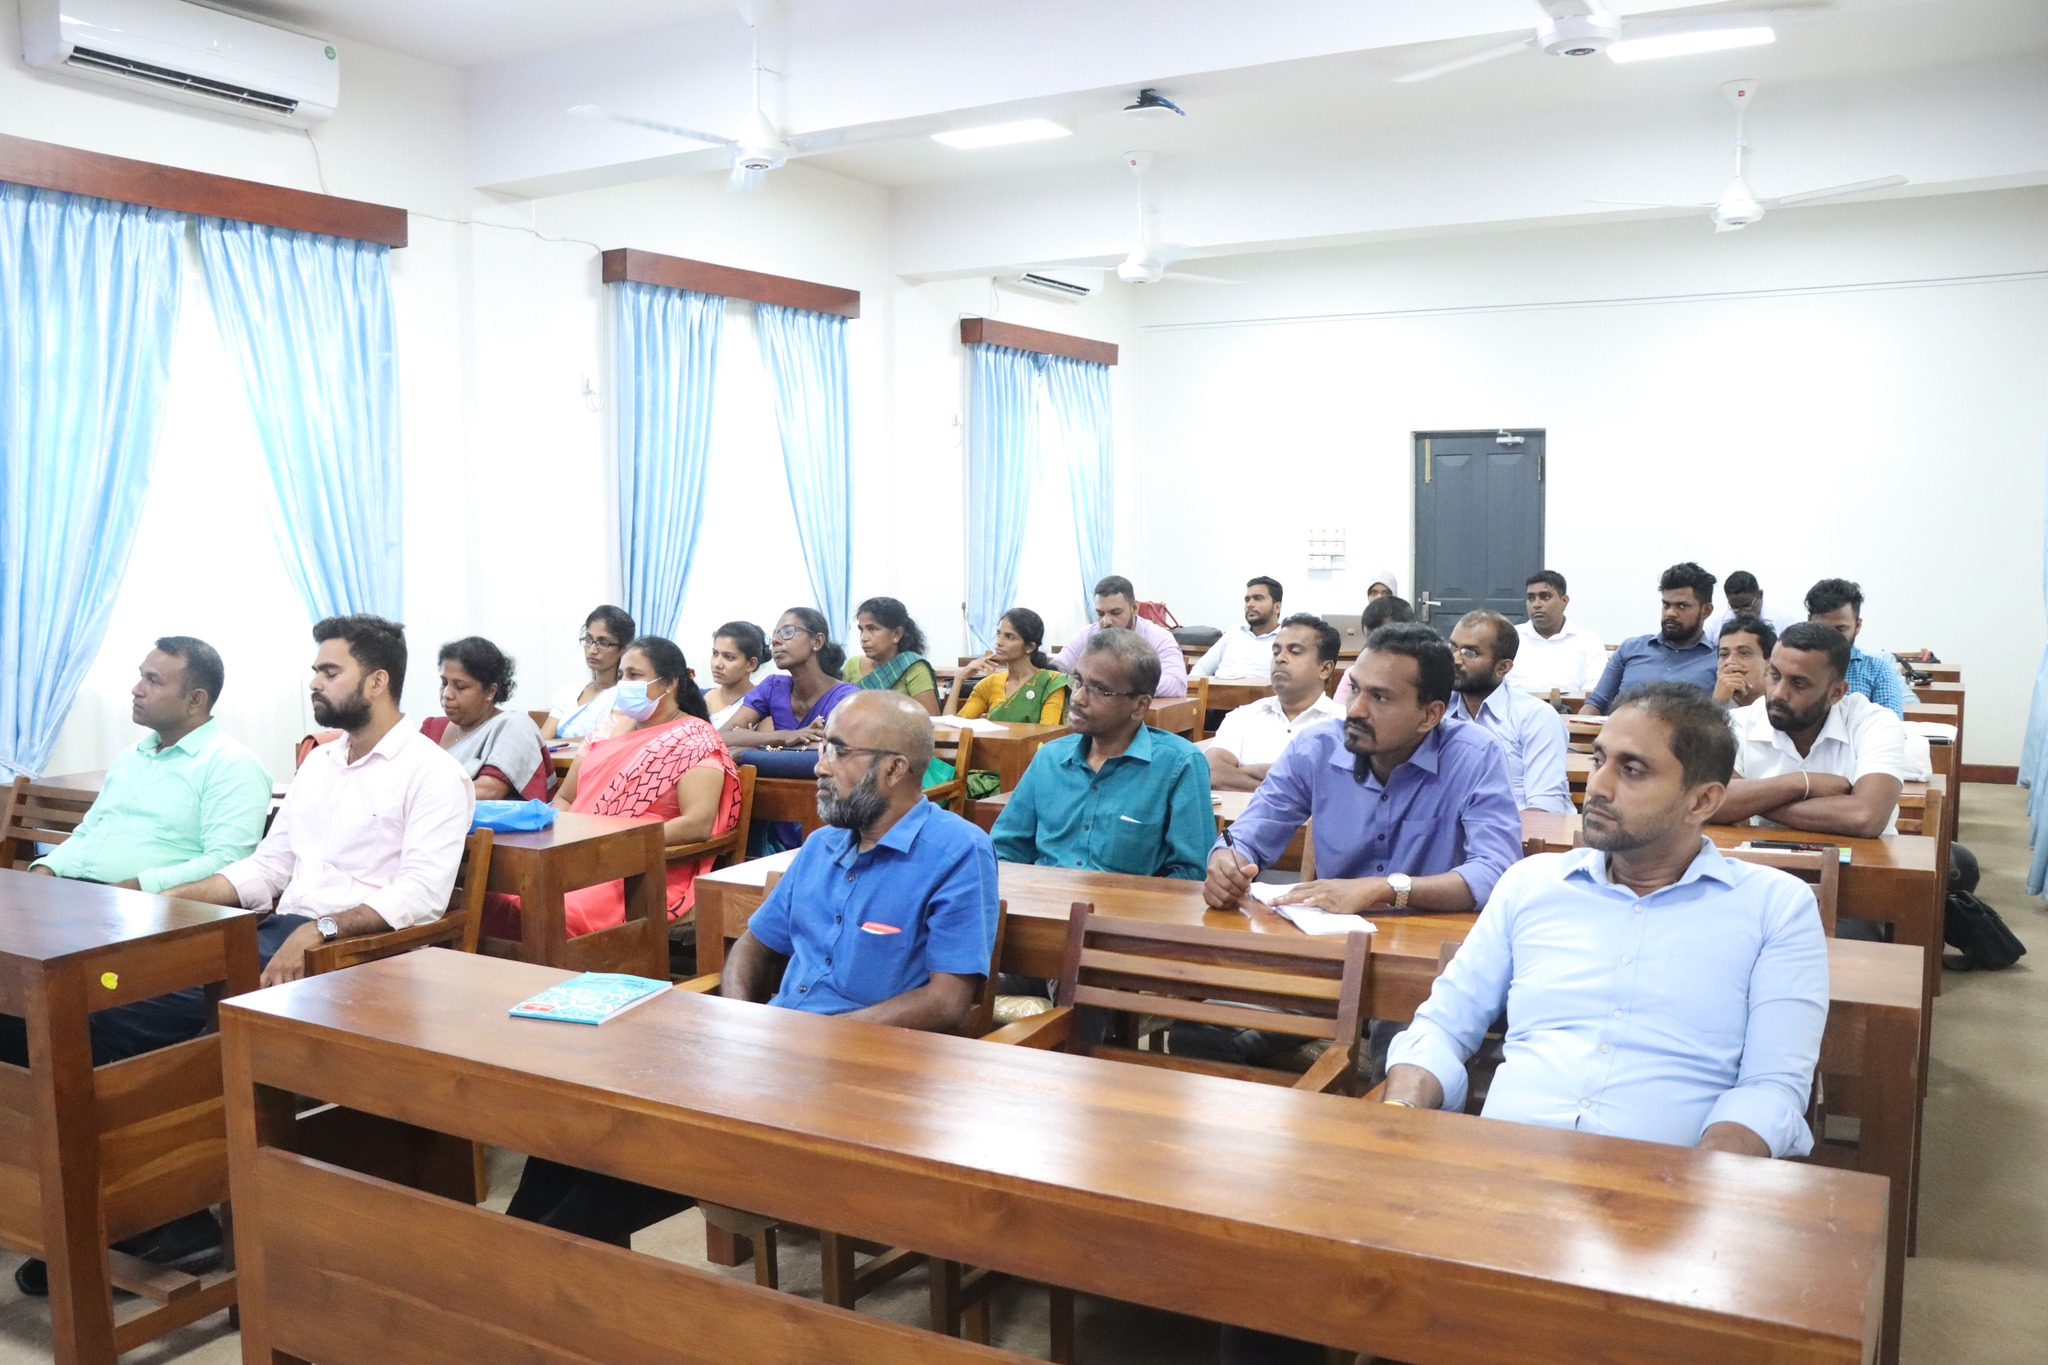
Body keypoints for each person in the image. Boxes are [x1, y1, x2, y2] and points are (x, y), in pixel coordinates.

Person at [4, 615, 473, 1295]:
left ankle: (165, 1212)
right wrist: (169, 907)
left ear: (377, 681)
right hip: (272, 934)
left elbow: (423, 897)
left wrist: (322, 932)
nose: (314, 681)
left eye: (329, 670)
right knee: (94, 997)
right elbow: (265, 868)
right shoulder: (321, 762)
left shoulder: (432, 774)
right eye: (315, 668)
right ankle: (97, 1203)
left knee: (172, 1031)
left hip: (360, 959)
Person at [506, 691, 998, 1246]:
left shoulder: (959, 851)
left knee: (637, 1149)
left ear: (893, 769)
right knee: (585, 1116)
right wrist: (742, 1021)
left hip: (864, 1075)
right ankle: (525, 1261)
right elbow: (754, 946)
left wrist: (805, 1040)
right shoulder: (823, 847)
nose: (819, 764)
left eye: (837, 751)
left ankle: (533, 1267)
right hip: (771, 1060)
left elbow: (948, 1002)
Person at [1382, 679, 1827, 1151]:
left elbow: (1771, 1088)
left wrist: (1701, 1187)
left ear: (1702, 801)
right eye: (1598, 761)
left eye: (1632, 770)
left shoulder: (1776, 907)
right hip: (1504, 1174)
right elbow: (1442, 1028)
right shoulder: (1532, 883)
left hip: (1669, 1189)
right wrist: (1401, 1112)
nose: (1597, 786)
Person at [1204, 622, 1521, 919]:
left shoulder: (1473, 756)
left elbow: (1496, 871)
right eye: (1355, 689)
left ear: (1430, 715)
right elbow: (1248, 836)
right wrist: (1227, 865)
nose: (1354, 710)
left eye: (1380, 697)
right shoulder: (1316, 749)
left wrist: (1385, 889)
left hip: (1433, 945)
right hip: (1332, 937)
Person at [488, 636, 742, 942]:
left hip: (641, 866)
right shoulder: (608, 727)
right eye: (622, 675)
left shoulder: (696, 738)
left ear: (670, 683)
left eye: (635, 676)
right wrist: (552, 839)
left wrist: (614, 845)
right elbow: (566, 798)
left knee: (550, 911)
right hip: (576, 851)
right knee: (494, 897)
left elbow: (697, 824)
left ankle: (563, 985)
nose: (624, 683)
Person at [28, 636, 269, 893]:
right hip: (77, 895)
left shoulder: (232, 765)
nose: (137, 689)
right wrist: (45, 869)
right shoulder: (130, 757)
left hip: (154, 907)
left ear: (195, 700)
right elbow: (88, 832)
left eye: (153, 681)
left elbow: (227, 863)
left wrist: (135, 888)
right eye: (141, 676)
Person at [992, 627, 1213, 879]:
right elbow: (1004, 849)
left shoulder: (1178, 764)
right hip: (1045, 907)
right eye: (1077, 681)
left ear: (1140, 705)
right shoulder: (1050, 758)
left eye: (1098, 690)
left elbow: (1192, 873)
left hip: (1128, 913)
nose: (1077, 698)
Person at [1715, 622, 1908, 839]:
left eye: (1798, 683)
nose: (1778, 693)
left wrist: (1749, 802)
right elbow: (1711, 800)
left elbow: (1865, 817)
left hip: (1861, 866)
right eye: (1775, 675)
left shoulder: (1874, 723)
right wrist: (1802, 782)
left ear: (1836, 693)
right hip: (1766, 866)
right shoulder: (1738, 722)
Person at [1205, 613, 1345, 793]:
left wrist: (1245, 771)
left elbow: (1332, 785)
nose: (1280, 659)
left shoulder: (1343, 723)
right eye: (1276, 652)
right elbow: (1213, 772)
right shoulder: (1243, 716)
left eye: (1294, 652)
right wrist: (1288, 792)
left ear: (1325, 669)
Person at [1448, 611, 1571, 814]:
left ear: (1502, 667)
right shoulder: (1437, 712)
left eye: (1470, 653)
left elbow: (1545, 809)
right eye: (1453, 647)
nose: (1456, 660)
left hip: (1514, 836)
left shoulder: (1536, 717)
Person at [420, 636, 549, 801]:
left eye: (460, 686)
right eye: (444, 683)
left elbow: (489, 791)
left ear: (490, 691)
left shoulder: (513, 727)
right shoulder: (432, 730)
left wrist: (421, 799)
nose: (447, 695)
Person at [1581, 562, 1718, 716]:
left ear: (1706, 611)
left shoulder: (1717, 659)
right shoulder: (1631, 649)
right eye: (1666, 605)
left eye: (1681, 606)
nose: (1670, 613)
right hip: (1622, 736)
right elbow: (1596, 703)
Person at [718, 607, 858, 753]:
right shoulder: (772, 687)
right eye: (774, 635)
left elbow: (832, 752)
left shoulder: (846, 698)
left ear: (817, 641)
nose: (775, 641)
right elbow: (721, 737)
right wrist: (784, 736)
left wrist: (752, 743)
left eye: (787, 632)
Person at [1047, 575, 1189, 698]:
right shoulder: (1088, 634)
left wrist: (1121, 686)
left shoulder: (1159, 638)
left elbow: (1176, 684)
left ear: (1134, 608)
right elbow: (1055, 671)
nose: (1107, 621)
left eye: (1115, 613)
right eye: (1100, 614)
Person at [1805, 578, 1910, 716]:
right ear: (1809, 622)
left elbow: (1890, 729)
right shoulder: (1794, 666)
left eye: (1840, 629)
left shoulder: (1877, 672)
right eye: (1821, 628)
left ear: (1857, 625)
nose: (1830, 637)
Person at [948, 607, 1069, 724]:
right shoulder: (990, 683)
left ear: (1029, 647)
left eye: (1009, 637)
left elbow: (1047, 733)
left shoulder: (1051, 682)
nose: (998, 642)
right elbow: (952, 728)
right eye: (998, 634)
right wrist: (959, 678)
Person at [542, 605, 634, 742]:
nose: (592, 650)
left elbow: (606, 740)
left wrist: (556, 743)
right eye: (588, 639)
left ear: (623, 649)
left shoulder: (624, 695)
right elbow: (543, 740)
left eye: (603, 642)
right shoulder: (567, 692)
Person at [1507, 570, 1607, 694]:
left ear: (1563, 601)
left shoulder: (1589, 642)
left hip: (1566, 710)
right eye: (1531, 598)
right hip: (1513, 709)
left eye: (1545, 597)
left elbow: (1594, 692)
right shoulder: (1509, 637)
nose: (1536, 604)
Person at [843, 596, 941, 715]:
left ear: (896, 634)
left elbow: (931, 721)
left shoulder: (914, 668)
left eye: (872, 629)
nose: (863, 638)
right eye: (861, 630)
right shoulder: (852, 665)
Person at [1191, 576, 1285, 679]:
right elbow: (1202, 667)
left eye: (1258, 598)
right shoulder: (1234, 632)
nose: (1250, 604)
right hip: (1217, 691)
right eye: (1247, 600)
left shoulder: (1285, 639)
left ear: (1277, 607)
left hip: (1263, 694)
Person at [1331, 594, 1416, 708]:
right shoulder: (1353, 674)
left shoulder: (1422, 676)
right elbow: (1338, 718)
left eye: (1386, 640)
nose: (1376, 647)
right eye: (1370, 640)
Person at [704, 621, 767, 728]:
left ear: (751, 664)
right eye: (715, 654)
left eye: (729, 657)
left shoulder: (761, 705)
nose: (717, 664)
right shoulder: (700, 696)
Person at [1705, 570, 1798, 643]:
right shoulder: (1714, 625)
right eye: (1735, 607)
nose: (1742, 613)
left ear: (1760, 595)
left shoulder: (1784, 622)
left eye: (1747, 606)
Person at [1713, 614, 1778, 711]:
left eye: (1743, 653)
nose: (1730, 662)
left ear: (1769, 665)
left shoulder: (1783, 707)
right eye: (1724, 654)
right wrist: (1717, 704)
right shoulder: (1704, 706)